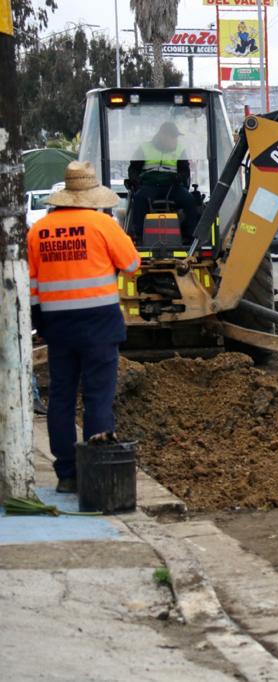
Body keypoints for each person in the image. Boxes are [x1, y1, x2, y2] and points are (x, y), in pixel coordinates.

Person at [28, 162, 141, 493]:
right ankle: (97, 471)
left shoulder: (38, 231)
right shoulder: (103, 224)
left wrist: (40, 323)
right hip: (99, 324)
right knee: (97, 398)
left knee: (61, 397)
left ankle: (66, 474)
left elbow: (33, 285)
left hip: (58, 326)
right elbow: (132, 264)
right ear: (92, 196)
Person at [128, 121, 199, 241]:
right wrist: (136, 181)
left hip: (173, 187)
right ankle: (139, 236)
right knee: (139, 199)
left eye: (175, 137)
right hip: (150, 186)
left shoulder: (180, 150)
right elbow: (133, 169)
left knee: (190, 201)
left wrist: (179, 177)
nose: (175, 140)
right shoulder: (144, 148)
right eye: (172, 136)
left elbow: (185, 171)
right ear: (162, 135)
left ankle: (189, 236)